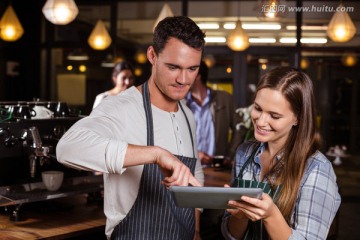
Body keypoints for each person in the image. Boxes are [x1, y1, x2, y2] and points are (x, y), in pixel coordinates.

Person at [56, 16, 206, 240]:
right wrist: (156, 154)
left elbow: (195, 174)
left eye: (192, 68)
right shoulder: (120, 107)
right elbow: (67, 148)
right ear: (152, 56)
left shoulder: (188, 115)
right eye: (173, 67)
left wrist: (195, 230)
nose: (183, 80)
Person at [221, 66, 341, 240]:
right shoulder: (244, 153)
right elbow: (230, 235)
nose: (261, 121)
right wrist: (238, 216)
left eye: (274, 116)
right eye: (258, 108)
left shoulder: (317, 169)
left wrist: (271, 216)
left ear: (297, 118)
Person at [186, 60, 241, 167]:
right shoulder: (179, 103)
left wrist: (230, 155)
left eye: (186, 73)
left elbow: (240, 127)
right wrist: (193, 155)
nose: (181, 79)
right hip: (189, 169)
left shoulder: (224, 98)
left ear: (197, 76)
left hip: (217, 169)